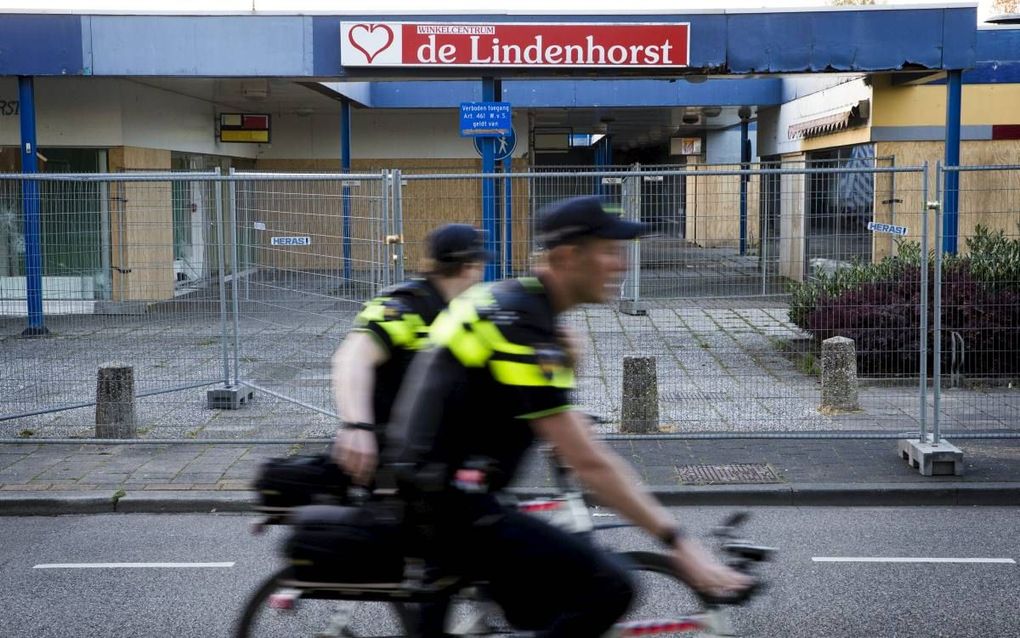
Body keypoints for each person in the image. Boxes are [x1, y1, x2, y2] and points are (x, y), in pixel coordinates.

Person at [386, 196, 752, 637]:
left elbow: (534, 412)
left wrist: (567, 376)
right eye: (609, 251)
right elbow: (588, 462)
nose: (621, 265)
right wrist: (681, 543)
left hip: (441, 492)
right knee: (610, 586)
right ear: (566, 257)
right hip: (449, 506)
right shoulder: (520, 324)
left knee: (536, 612)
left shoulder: (520, 308)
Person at [330, 223, 489, 486]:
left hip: (438, 458)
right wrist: (357, 427)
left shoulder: (464, 309)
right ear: (469, 268)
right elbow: (351, 358)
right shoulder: (406, 306)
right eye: (479, 266)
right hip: (390, 462)